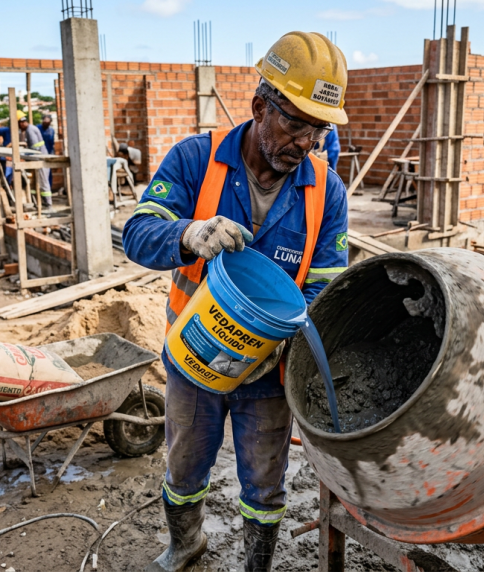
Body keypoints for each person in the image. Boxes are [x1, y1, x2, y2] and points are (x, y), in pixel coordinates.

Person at [123, 32, 350, 572]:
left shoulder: (327, 190)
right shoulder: (196, 159)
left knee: (265, 484)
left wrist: (286, 340)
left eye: (318, 130)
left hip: (267, 373)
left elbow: (324, 287)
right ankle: (185, 545)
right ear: (259, 107)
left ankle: (256, 565)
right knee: (184, 469)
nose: (306, 142)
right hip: (195, 358)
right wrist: (187, 234)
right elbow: (136, 233)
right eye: (295, 123)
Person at [18, 113, 51, 208]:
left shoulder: (30, 130)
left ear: (21, 123)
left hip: (41, 159)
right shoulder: (31, 128)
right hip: (39, 158)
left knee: (43, 182)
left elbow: (35, 147)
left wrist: (25, 154)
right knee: (36, 183)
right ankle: (37, 202)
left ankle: (48, 205)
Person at [38, 113, 56, 189]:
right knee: (40, 172)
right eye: (45, 121)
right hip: (40, 154)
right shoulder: (38, 128)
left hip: (48, 154)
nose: (46, 122)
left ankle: (49, 188)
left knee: (48, 172)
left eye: (48, 121)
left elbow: (52, 144)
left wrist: (53, 155)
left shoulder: (51, 130)